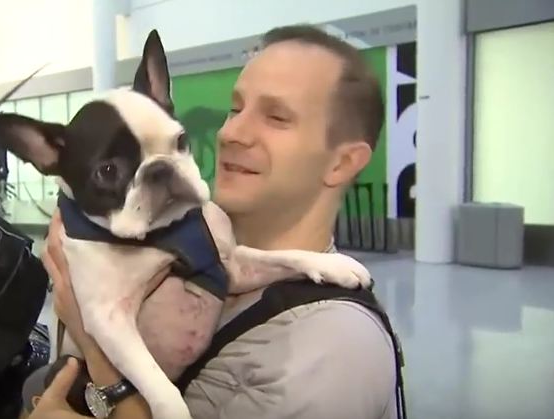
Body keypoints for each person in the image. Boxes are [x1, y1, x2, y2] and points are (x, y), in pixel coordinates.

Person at [29, 24, 398, 419]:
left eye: (276, 117)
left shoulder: (332, 351)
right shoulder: (193, 235)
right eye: (236, 108)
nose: (231, 132)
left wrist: (98, 360)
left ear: (341, 162)